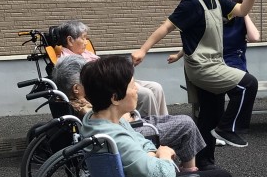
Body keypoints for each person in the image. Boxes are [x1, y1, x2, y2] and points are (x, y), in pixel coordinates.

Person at [79, 55, 244, 177]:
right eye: (132, 86)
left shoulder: (98, 121)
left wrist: (151, 163)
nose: (137, 89)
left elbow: (142, 143)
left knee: (222, 175)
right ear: (115, 98)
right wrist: (163, 155)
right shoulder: (116, 137)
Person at [132, 0, 262, 169]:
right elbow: (167, 26)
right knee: (248, 84)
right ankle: (228, 128)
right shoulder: (191, 2)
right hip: (201, 67)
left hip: (215, 63)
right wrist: (143, 50)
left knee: (210, 115)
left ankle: (203, 162)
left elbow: (241, 10)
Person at [52, 55, 205, 171]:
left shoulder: (84, 108)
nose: (92, 81)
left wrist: (153, 155)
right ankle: (190, 173)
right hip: (136, 127)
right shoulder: (89, 111)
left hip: (134, 126)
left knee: (179, 119)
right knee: (186, 124)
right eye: (86, 80)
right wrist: (163, 157)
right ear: (76, 89)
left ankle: (191, 170)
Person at [168, 0, 261, 134]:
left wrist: (244, 13)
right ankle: (213, 133)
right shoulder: (215, 20)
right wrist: (178, 55)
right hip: (211, 64)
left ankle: (225, 128)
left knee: (245, 88)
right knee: (211, 106)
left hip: (234, 65)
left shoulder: (240, 21)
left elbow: (254, 37)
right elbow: (198, 42)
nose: (227, 14)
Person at [56, 19, 168, 118]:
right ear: (70, 40)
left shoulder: (85, 53)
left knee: (156, 87)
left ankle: (165, 121)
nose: (86, 42)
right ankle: (150, 129)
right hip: (108, 86)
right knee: (145, 94)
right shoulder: (68, 62)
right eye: (83, 38)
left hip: (116, 79)